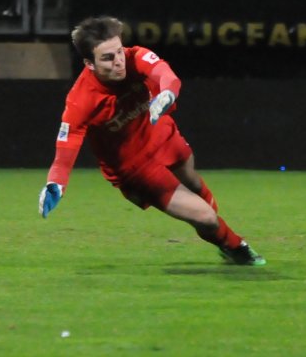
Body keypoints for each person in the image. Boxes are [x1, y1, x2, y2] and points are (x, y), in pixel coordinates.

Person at [37, 16, 265, 266]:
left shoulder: (135, 57)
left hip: (161, 134)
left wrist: (167, 92)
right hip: (135, 169)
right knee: (206, 217)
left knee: (194, 182)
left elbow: (167, 75)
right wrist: (56, 185)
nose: (118, 62)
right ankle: (233, 245)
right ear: (88, 64)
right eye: (107, 58)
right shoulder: (80, 101)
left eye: (119, 52)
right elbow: (64, 154)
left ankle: (217, 232)